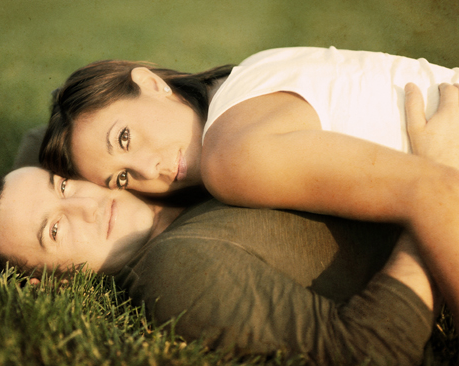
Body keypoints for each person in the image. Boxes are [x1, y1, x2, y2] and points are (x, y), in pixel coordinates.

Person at [0, 85, 459, 365]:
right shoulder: (176, 268)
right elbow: (369, 352)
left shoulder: (176, 179)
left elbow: (40, 138)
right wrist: (432, 183)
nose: (86, 207)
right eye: (54, 231)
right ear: (50, 284)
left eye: (63, 185)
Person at [38, 47, 459, 324]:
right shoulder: (245, 77)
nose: (152, 170)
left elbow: (436, 191)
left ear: (151, 84)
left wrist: (437, 166)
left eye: (124, 137)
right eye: (123, 178)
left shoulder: (229, 156)